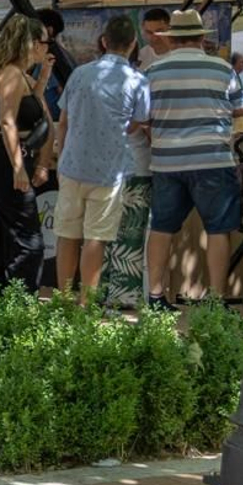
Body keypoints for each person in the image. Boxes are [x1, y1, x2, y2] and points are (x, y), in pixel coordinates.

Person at [144, 9, 243, 307]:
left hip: (166, 162)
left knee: (162, 227)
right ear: (202, 37)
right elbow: (240, 108)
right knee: (218, 229)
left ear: (172, 39)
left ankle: (155, 295)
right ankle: (215, 299)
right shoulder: (222, 69)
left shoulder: (153, 72)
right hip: (212, 159)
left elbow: (142, 116)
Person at [53, 15, 150, 306]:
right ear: (133, 44)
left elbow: (64, 120)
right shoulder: (138, 80)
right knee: (96, 237)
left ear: (104, 41)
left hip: (71, 165)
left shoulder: (79, 74)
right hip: (110, 171)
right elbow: (140, 122)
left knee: (67, 234)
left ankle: (62, 299)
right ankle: (86, 304)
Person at [0, 15, 54, 293]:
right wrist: (19, 168)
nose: (48, 47)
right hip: (3, 159)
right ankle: (20, 298)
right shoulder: (10, 74)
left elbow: (28, 109)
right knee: (28, 236)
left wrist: (43, 79)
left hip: (4, 157)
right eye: (45, 42)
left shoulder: (17, 75)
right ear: (32, 44)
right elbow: (7, 120)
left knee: (4, 229)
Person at [35, 8, 78, 119]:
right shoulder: (65, 55)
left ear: (49, 31)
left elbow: (61, 90)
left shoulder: (49, 57)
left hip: (52, 121)